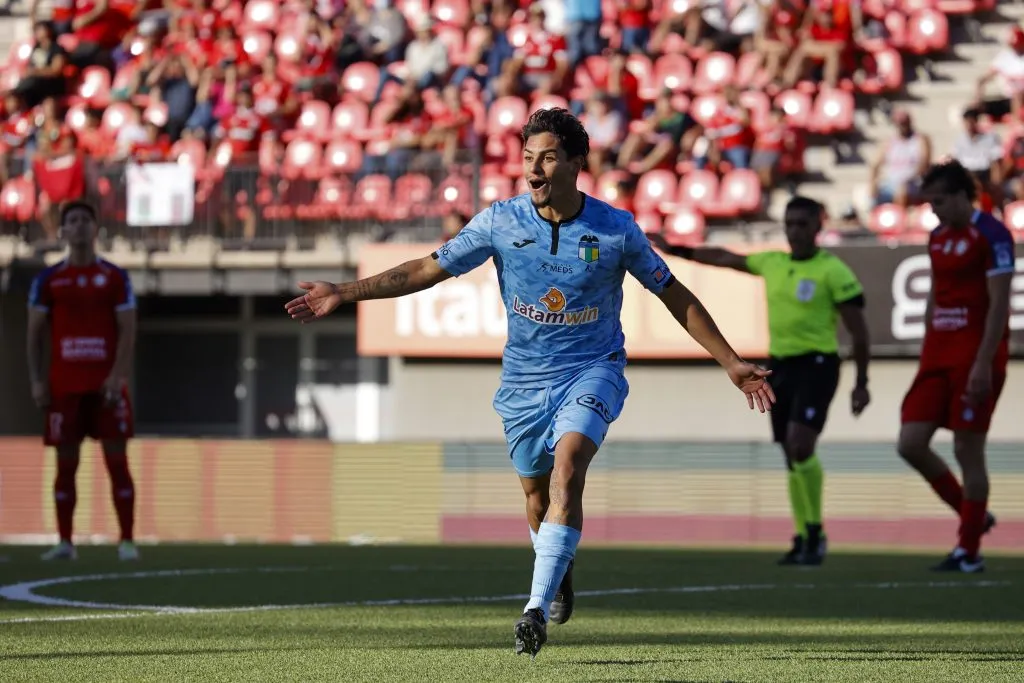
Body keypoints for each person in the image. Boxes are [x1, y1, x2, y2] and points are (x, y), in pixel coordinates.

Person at [285, 108, 775, 658]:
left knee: (569, 470)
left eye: (545, 157)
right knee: (537, 496)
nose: (533, 169)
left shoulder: (615, 230)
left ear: (574, 164)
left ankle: (533, 610)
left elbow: (673, 293)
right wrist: (345, 292)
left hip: (594, 369)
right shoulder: (501, 222)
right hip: (522, 381)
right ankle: (557, 568)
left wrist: (730, 361)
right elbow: (427, 268)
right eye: (526, 158)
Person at [649, 196, 871, 566]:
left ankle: (815, 532)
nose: (795, 231)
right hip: (780, 367)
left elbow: (860, 333)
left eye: (803, 224)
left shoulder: (834, 271)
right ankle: (803, 536)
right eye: (790, 223)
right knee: (789, 451)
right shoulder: (773, 262)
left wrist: (861, 382)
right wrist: (677, 249)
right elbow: (725, 258)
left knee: (801, 445)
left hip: (818, 366)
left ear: (819, 226)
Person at [896, 159, 1010, 573]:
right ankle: (974, 515)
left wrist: (983, 363)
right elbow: (935, 294)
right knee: (909, 442)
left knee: (967, 449)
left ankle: (968, 551)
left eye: (940, 202)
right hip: (937, 355)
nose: (935, 210)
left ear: (964, 196)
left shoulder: (993, 234)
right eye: (930, 204)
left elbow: (999, 304)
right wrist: (928, 342)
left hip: (975, 357)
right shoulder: (937, 237)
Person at [27, 201, 140, 562]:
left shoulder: (114, 277)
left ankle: (126, 542)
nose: (78, 226)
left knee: (117, 462)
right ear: (62, 231)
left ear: (95, 229)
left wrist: (117, 375)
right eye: (71, 221)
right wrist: (37, 380)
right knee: (65, 464)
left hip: (106, 387)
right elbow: (33, 335)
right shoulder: (48, 280)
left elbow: (128, 330)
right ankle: (65, 542)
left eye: (84, 220)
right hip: (63, 387)